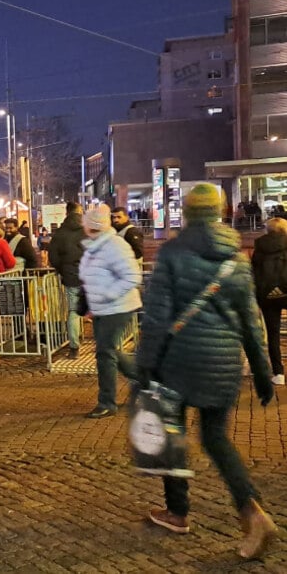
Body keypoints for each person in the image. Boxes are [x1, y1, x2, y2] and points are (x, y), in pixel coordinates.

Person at [136, 184, 276, 558]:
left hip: (178, 364)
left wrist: (145, 365)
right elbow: (251, 322)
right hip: (222, 363)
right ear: (220, 211)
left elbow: (157, 317)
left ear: (187, 212)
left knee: (173, 433)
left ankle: (178, 513)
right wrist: (263, 373)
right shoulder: (236, 258)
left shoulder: (172, 254)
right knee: (216, 440)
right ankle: (253, 511)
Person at [78, 205, 141, 418]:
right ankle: (146, 380)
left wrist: (106, 295)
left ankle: (107, 402)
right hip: (104, 308)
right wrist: (92, 304)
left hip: (118, 307)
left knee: (105, 353)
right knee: (109, 350)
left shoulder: (115, 246)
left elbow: (132, 276)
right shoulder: (95, 246)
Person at [251, 216, 287, 385]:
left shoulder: (260, 247)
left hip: (267, 295)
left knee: (273, 334)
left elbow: (254, 272)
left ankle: (278, 373)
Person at [48, 202, 87, 358]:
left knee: (73, 311)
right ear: (79, 211)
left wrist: (62, 269)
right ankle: (106, 347)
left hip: (71, 276)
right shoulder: (87, 230)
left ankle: (74, 348)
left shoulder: (59, 233)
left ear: (67, 212)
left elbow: (53, 257)